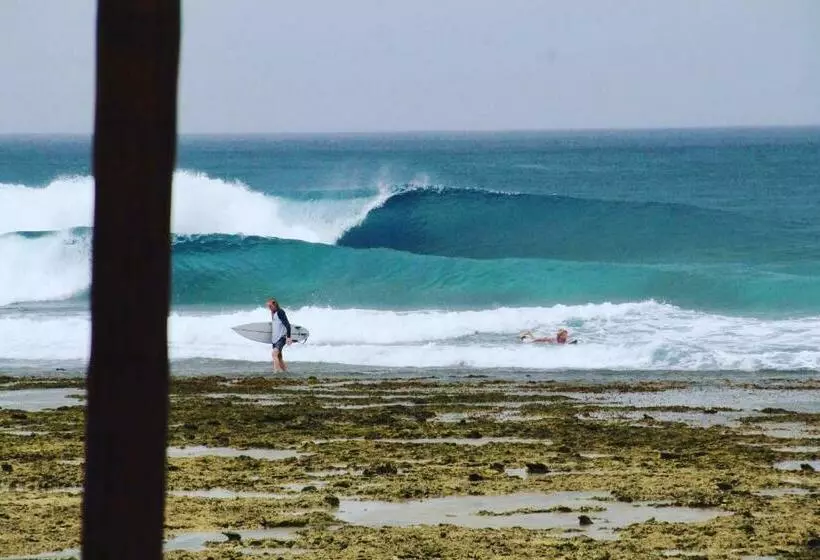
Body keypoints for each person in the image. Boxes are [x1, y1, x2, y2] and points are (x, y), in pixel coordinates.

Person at [267, 297, 292, 372]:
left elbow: (288, 325)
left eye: (270, 306)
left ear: (275, 305)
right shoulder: (274, 313)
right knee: (279, 357)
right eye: (268, 307)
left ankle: (276, 372)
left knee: (274, 354)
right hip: (275, 339)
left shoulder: (280, 312)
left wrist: (288, 337)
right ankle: (285, 371)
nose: (269, 308)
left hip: (281, 338)